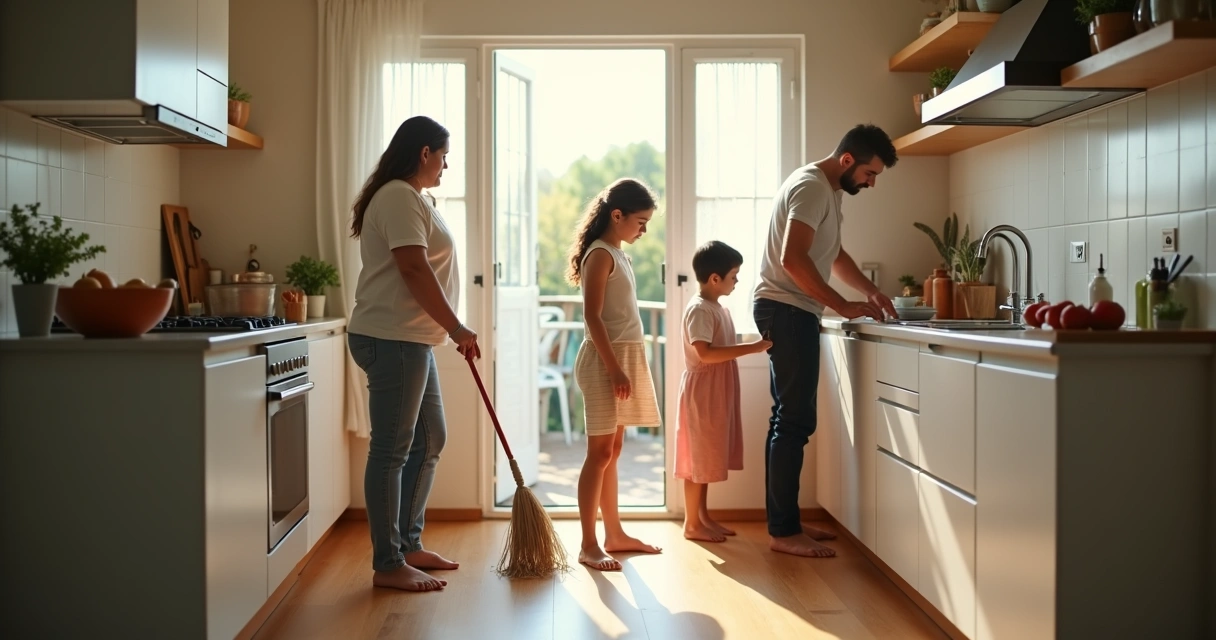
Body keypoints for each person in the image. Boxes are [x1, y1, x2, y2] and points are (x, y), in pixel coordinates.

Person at [753, 124, 900, 558]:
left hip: (791, 310)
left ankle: (787, 523)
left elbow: (833, 254)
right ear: (848, 160)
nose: (871, 184)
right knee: (793, 422)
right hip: (787, 309)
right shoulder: (813, 188)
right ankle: (783, 531)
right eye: (870, 174)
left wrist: (869, 291)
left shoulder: (828, 191)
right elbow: (792, 258)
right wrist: (842, 305)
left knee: (788, 421)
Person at [346, 115, 479, 592]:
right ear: (424, 152)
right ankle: (388, 564)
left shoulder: (416, 198)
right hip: (391, 338)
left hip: (411, 339)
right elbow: (414, 270)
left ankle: (408, 545)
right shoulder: (399, 197)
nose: (447, 166)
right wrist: (458, 328)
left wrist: (445, 331)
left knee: (429, 439)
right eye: (444, 156)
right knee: (392, 450)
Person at [567, 178, 665, 572]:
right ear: (617, 215)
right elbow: (592, 316)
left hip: (623, 357)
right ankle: (589, 544)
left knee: (614, 452)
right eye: (640, 222)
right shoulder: (599, 254)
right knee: (600, 453)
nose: (643, 231)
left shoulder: (618, 253)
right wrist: (614, 369)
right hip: (605, 362)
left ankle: (614, 534)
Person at [675, 241, 772, 543]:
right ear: (715, 278)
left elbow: (723, 342)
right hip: (703, 394)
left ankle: (703, 517)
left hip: (715, 392)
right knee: (697, 462)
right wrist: (753, 348)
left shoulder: (717, 308)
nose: (737, 281)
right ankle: (692, 524)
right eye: (734, 275)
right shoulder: (700, 310)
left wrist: (757, 340)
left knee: (706, 458)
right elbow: (704, 353)